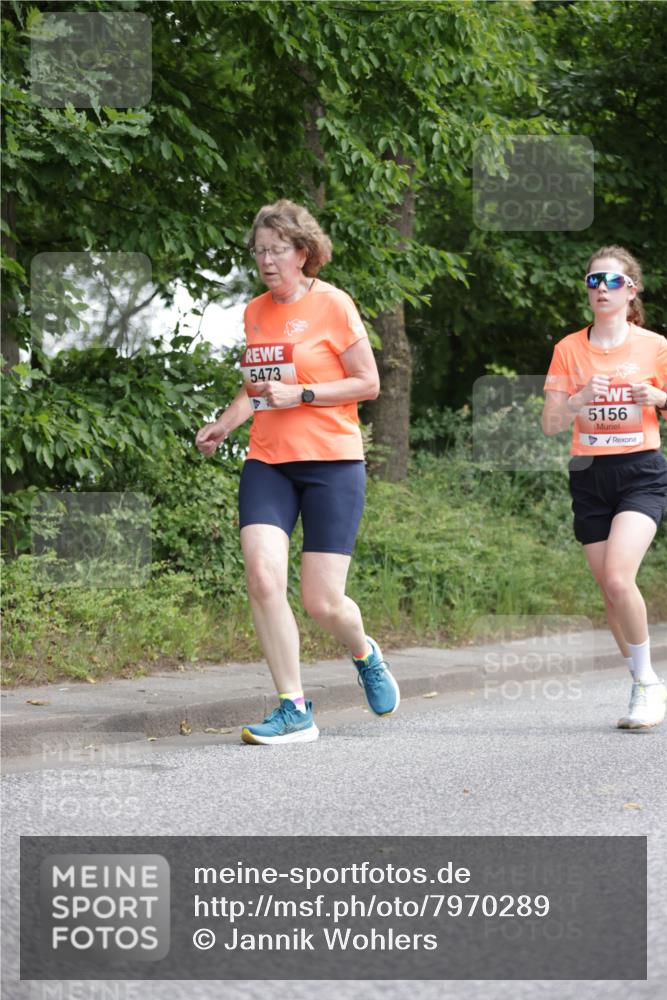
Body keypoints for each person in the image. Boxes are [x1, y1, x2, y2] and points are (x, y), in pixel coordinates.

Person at [195, 199, 400, 744]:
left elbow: (368, 383)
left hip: (332, 463)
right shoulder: (255, 312)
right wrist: (224, 425)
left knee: (322, 602)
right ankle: (294, 708)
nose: (266, 260)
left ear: (303, 253)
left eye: (277, 250)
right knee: (263, 576)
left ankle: (364, 652)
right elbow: (257, 388)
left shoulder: (334, 304)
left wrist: (303, 393)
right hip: (269, 461)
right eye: (259, 251)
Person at [542, 245, 667, 729]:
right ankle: (641, 681)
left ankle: (647, 684)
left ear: (631, 290)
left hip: (641, 471)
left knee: (618, 577)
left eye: (612, 281)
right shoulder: (569, 349)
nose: (601, 289)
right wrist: (576, 400)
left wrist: (658, 397)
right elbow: (550, 424)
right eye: (593, 281)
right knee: (610, 591)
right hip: (589, 475)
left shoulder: (654, 346)